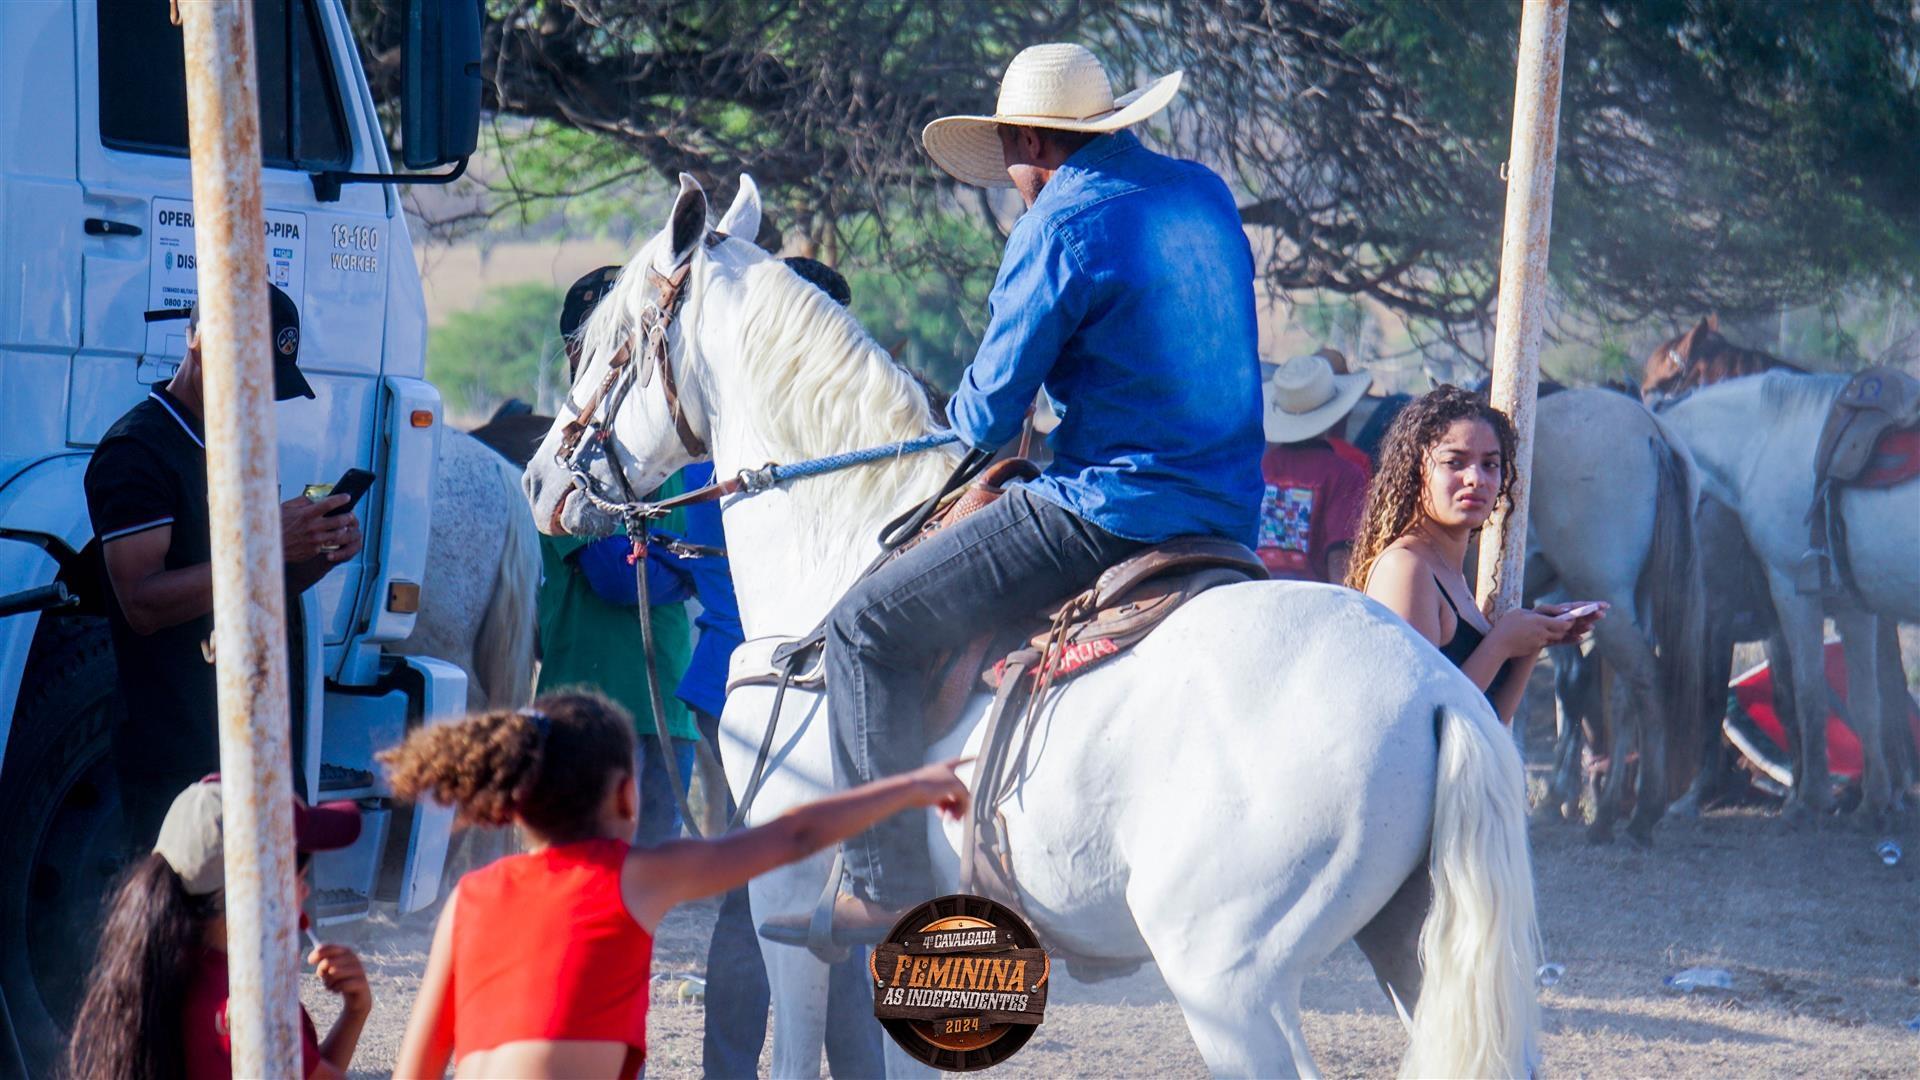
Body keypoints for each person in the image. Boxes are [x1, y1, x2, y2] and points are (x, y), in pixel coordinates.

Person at [765, 41, 1264, 944]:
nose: (1012, 183)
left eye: (1010, 159)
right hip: (1230, 511)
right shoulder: (1203, 192)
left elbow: (991, 413)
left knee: (864, 627)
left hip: (1108, 510)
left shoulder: (1061, 222)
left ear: (1034, 139)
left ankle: (881, 887)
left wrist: (956, 409)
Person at [381, 692, 969, 1080]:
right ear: (626, 796)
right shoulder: (632, 877)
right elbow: (794, 835)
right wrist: (911, 786)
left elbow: (417, 1065)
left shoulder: (471, 897)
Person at [84, 286, 362, 843]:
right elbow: (141, 603)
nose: (258, 400)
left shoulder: (238, 446)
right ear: (201, 342)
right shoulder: (136, 452)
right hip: (182, 757)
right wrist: (268, 542)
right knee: (186, 899)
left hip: (258, 740)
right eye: (250, 378)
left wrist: (319, 553)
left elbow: (256, 584)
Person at [66, 776, 372, 1080]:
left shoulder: (178, 970)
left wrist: (355, 1013)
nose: (306, 891)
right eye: (300, 878)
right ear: (256, 891)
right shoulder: (248, 1002)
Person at [540, 266, 700, 846]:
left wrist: (671, 562)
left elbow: (706, 566)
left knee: (649, 883)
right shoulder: (564, 461)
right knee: (583, 875)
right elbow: (616, 578)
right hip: (584, 714)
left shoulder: (672, 457)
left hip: (669, 711)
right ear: (576, 350)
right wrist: (678, 564)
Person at [1344, 386, 1606, 724]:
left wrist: (1533, 640)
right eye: (1454, 462)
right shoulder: (1406, 568)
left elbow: (1490, 722)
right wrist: (1500, 642)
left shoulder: (1449, 572)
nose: (1476, 479)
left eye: (1490, 464)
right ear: (1415, 470)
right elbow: (1419, 720)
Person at [1257, 352, 1374, 584]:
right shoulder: (1345, 475)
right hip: (1313, 599)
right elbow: (1340, 557)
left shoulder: (1259, 468)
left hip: (1253, 591)